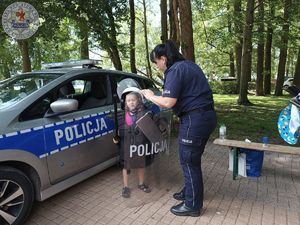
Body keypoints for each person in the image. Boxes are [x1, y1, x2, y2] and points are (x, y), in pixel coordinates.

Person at [142, 40, 217, 217]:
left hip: (194, 119)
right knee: (192, 159)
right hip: (206, 117)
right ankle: (190, 192)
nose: (157, 66)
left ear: (164, 58)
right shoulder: (189, 65)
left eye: (156, 62)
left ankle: (192, 205)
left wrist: (150, 95)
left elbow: (168, 102)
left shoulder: (174, 70)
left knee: (188, 160)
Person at [113, 91, 151, 198]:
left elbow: (148, 130)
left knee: (141, 164)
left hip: (139, 145)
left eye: (133, 100)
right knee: (125, 166)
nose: (131, 102)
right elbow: (119, 131)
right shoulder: (122, 116)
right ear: (125, 103)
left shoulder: (143, 114)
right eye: (129, 101)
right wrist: (116, 138)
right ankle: (125, 186)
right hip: (126, 145)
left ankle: (141, 183)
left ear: (138, 101)